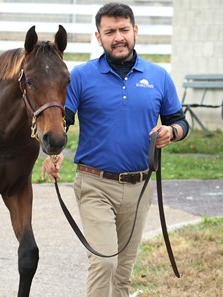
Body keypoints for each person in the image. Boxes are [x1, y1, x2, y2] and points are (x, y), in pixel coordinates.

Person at [41, 2, 189, 297]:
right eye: (110, 31)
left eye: (123, 30)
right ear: (99, 37)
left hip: (140, 186)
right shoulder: (81, 76)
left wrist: (171, 132)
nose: (118, 37)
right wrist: (53, 153)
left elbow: (180, 121)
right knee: (105, 262)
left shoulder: (158, 76)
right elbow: (62, 121)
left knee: (123, 272)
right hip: (95, 184)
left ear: (135, 31)